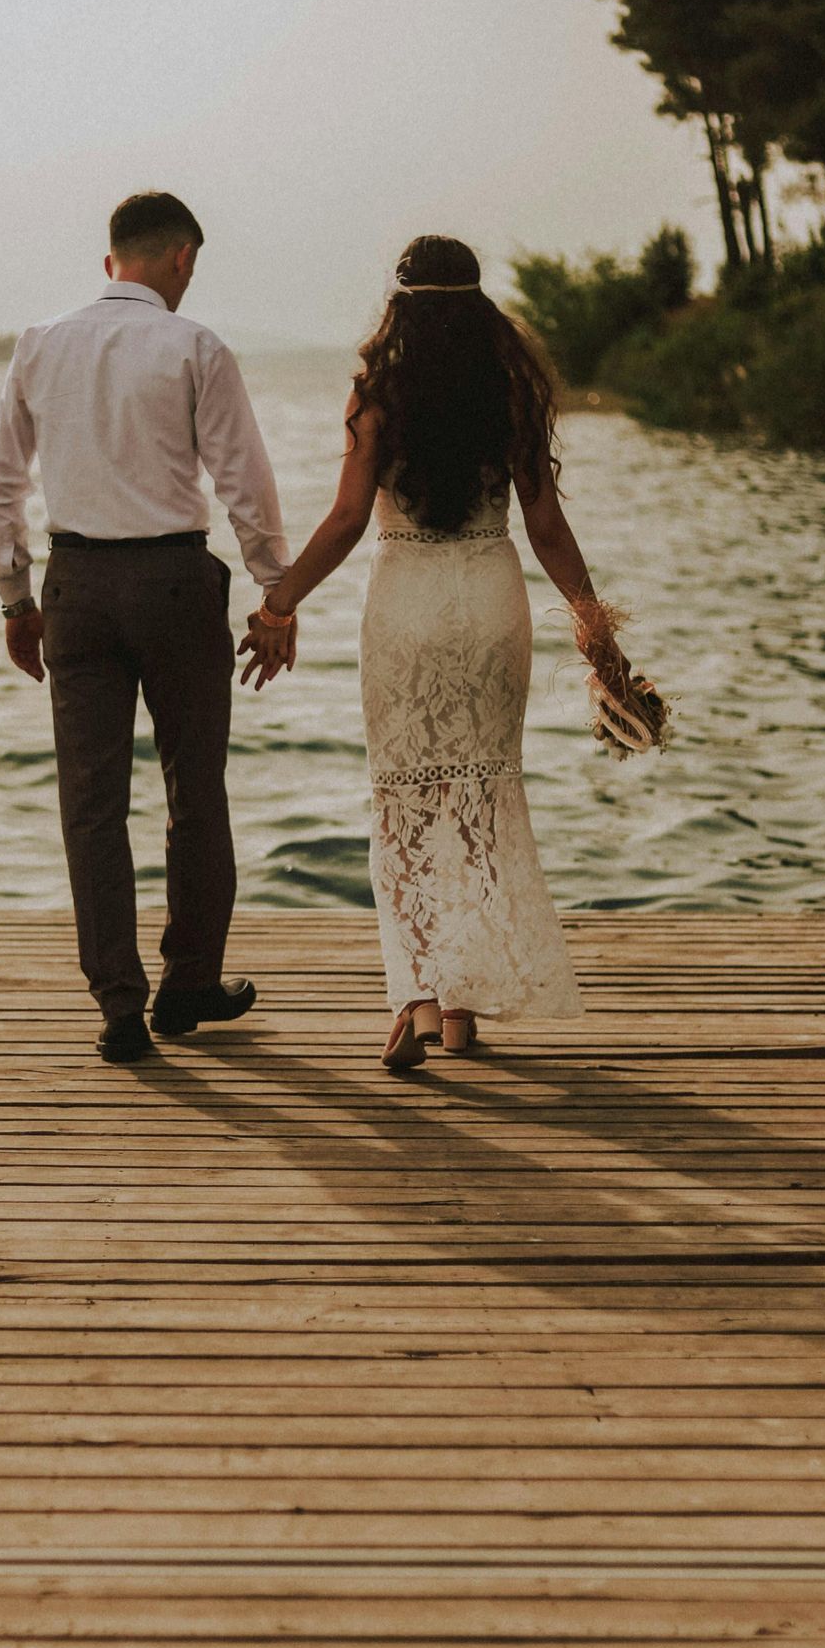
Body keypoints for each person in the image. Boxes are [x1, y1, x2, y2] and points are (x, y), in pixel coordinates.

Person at [240, 235, 624, 1073]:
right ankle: (460, 1010)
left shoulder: (377, 393)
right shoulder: (511, 391)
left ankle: (416, 998)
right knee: (480, 801)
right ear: (480, 305)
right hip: (491, 598)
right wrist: (597, 631)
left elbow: (346, 521)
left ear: (401, 305)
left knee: (406, 806)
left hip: (406, 604)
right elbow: (547, 528)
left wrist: (278, 603)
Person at [0, 192, 292, 1064]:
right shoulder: (195, 345)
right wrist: (276, 595)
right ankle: (187, 985)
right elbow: (244, 483)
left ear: (110, 257)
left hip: (74, 582)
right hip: (172, 582)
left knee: (91, 803)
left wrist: (15, 595)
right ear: (183, 258)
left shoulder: (40, 343)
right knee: (196, 791)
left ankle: (118, 1004)